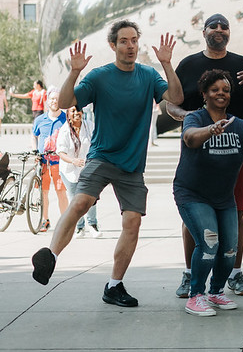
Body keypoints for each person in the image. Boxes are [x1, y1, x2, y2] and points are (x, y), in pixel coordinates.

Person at [31, 20, 183, 308]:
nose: (130, 46)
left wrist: (167, 64)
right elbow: (66, 102)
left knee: (132, 222)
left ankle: (114, 285)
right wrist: (74, 71)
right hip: (102, 156)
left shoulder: (149, 75)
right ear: (113, 45)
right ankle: (49, 256)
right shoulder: (99, 77)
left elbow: (175, 98)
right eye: (124, 41)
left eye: (134, 40)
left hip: (132, 165)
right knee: (80, 203)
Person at [166, 13, 243, 298]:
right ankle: (189, 275)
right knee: (194, 217)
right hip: (199, 153)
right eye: (214, 26)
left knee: (237, 212)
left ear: (229, 32)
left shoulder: (241, 64)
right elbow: (170, 105)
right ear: (204, 31)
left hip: (238, 152)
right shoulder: (189, 65)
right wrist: (192, 119)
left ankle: (235, 274)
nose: (219, 30)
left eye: (224, 26)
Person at [174, 69, 243, 316]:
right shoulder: (195, 118)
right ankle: (195, 295)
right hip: (192, 194)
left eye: (226, 90)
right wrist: (211, 130)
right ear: (204, 94)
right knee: (208, 242)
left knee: (230, 248)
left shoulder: (237, 124)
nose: (221, 94)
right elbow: (190, 139)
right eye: (215, 90)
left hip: (224, 197)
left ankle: (216, 292)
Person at [56, 107, 100, 238]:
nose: (76, 114)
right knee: (74, 199)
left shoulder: (89, 126)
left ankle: (93, 224)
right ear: (68, 114)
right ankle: (79, 227)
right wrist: (73, 161)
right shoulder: (64, 130)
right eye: (73, 111)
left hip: (88, 168)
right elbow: (61, 152)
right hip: (69, 170)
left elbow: (97, 143)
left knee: (91, 197)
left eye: (78, 110)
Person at [32, 90, 68, 233]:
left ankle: (65, 221)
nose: (54, 101)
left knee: (61, 192)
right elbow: (34, 136)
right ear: (48, 100)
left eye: (57, 99)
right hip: (43, 161)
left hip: (59, 161)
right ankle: (44, 220)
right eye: (52, 99)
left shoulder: (66, 119)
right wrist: (35, 151)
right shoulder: (40, 119)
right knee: (44, 192)